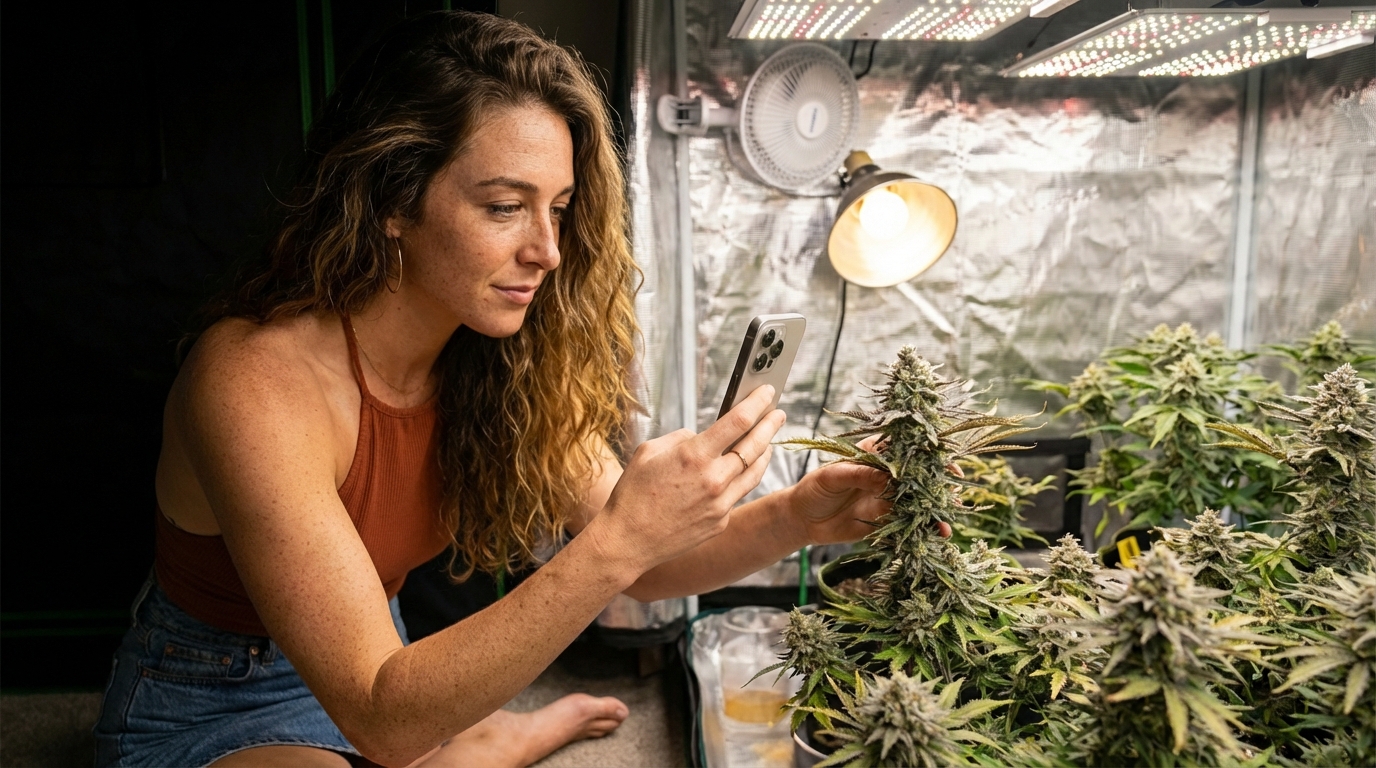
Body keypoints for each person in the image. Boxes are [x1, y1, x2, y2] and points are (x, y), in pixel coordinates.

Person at [94, 11, 921, 768]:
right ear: (393, 198)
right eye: (503, 207)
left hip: (384, 665)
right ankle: (479, 743)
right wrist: (621, 538)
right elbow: (382, 711)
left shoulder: (499, 360)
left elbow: (649, 568)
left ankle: (478, 739)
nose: (547, 251)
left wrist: (796, 517)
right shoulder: (254, 379)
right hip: (213, 693)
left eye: (558, 209)